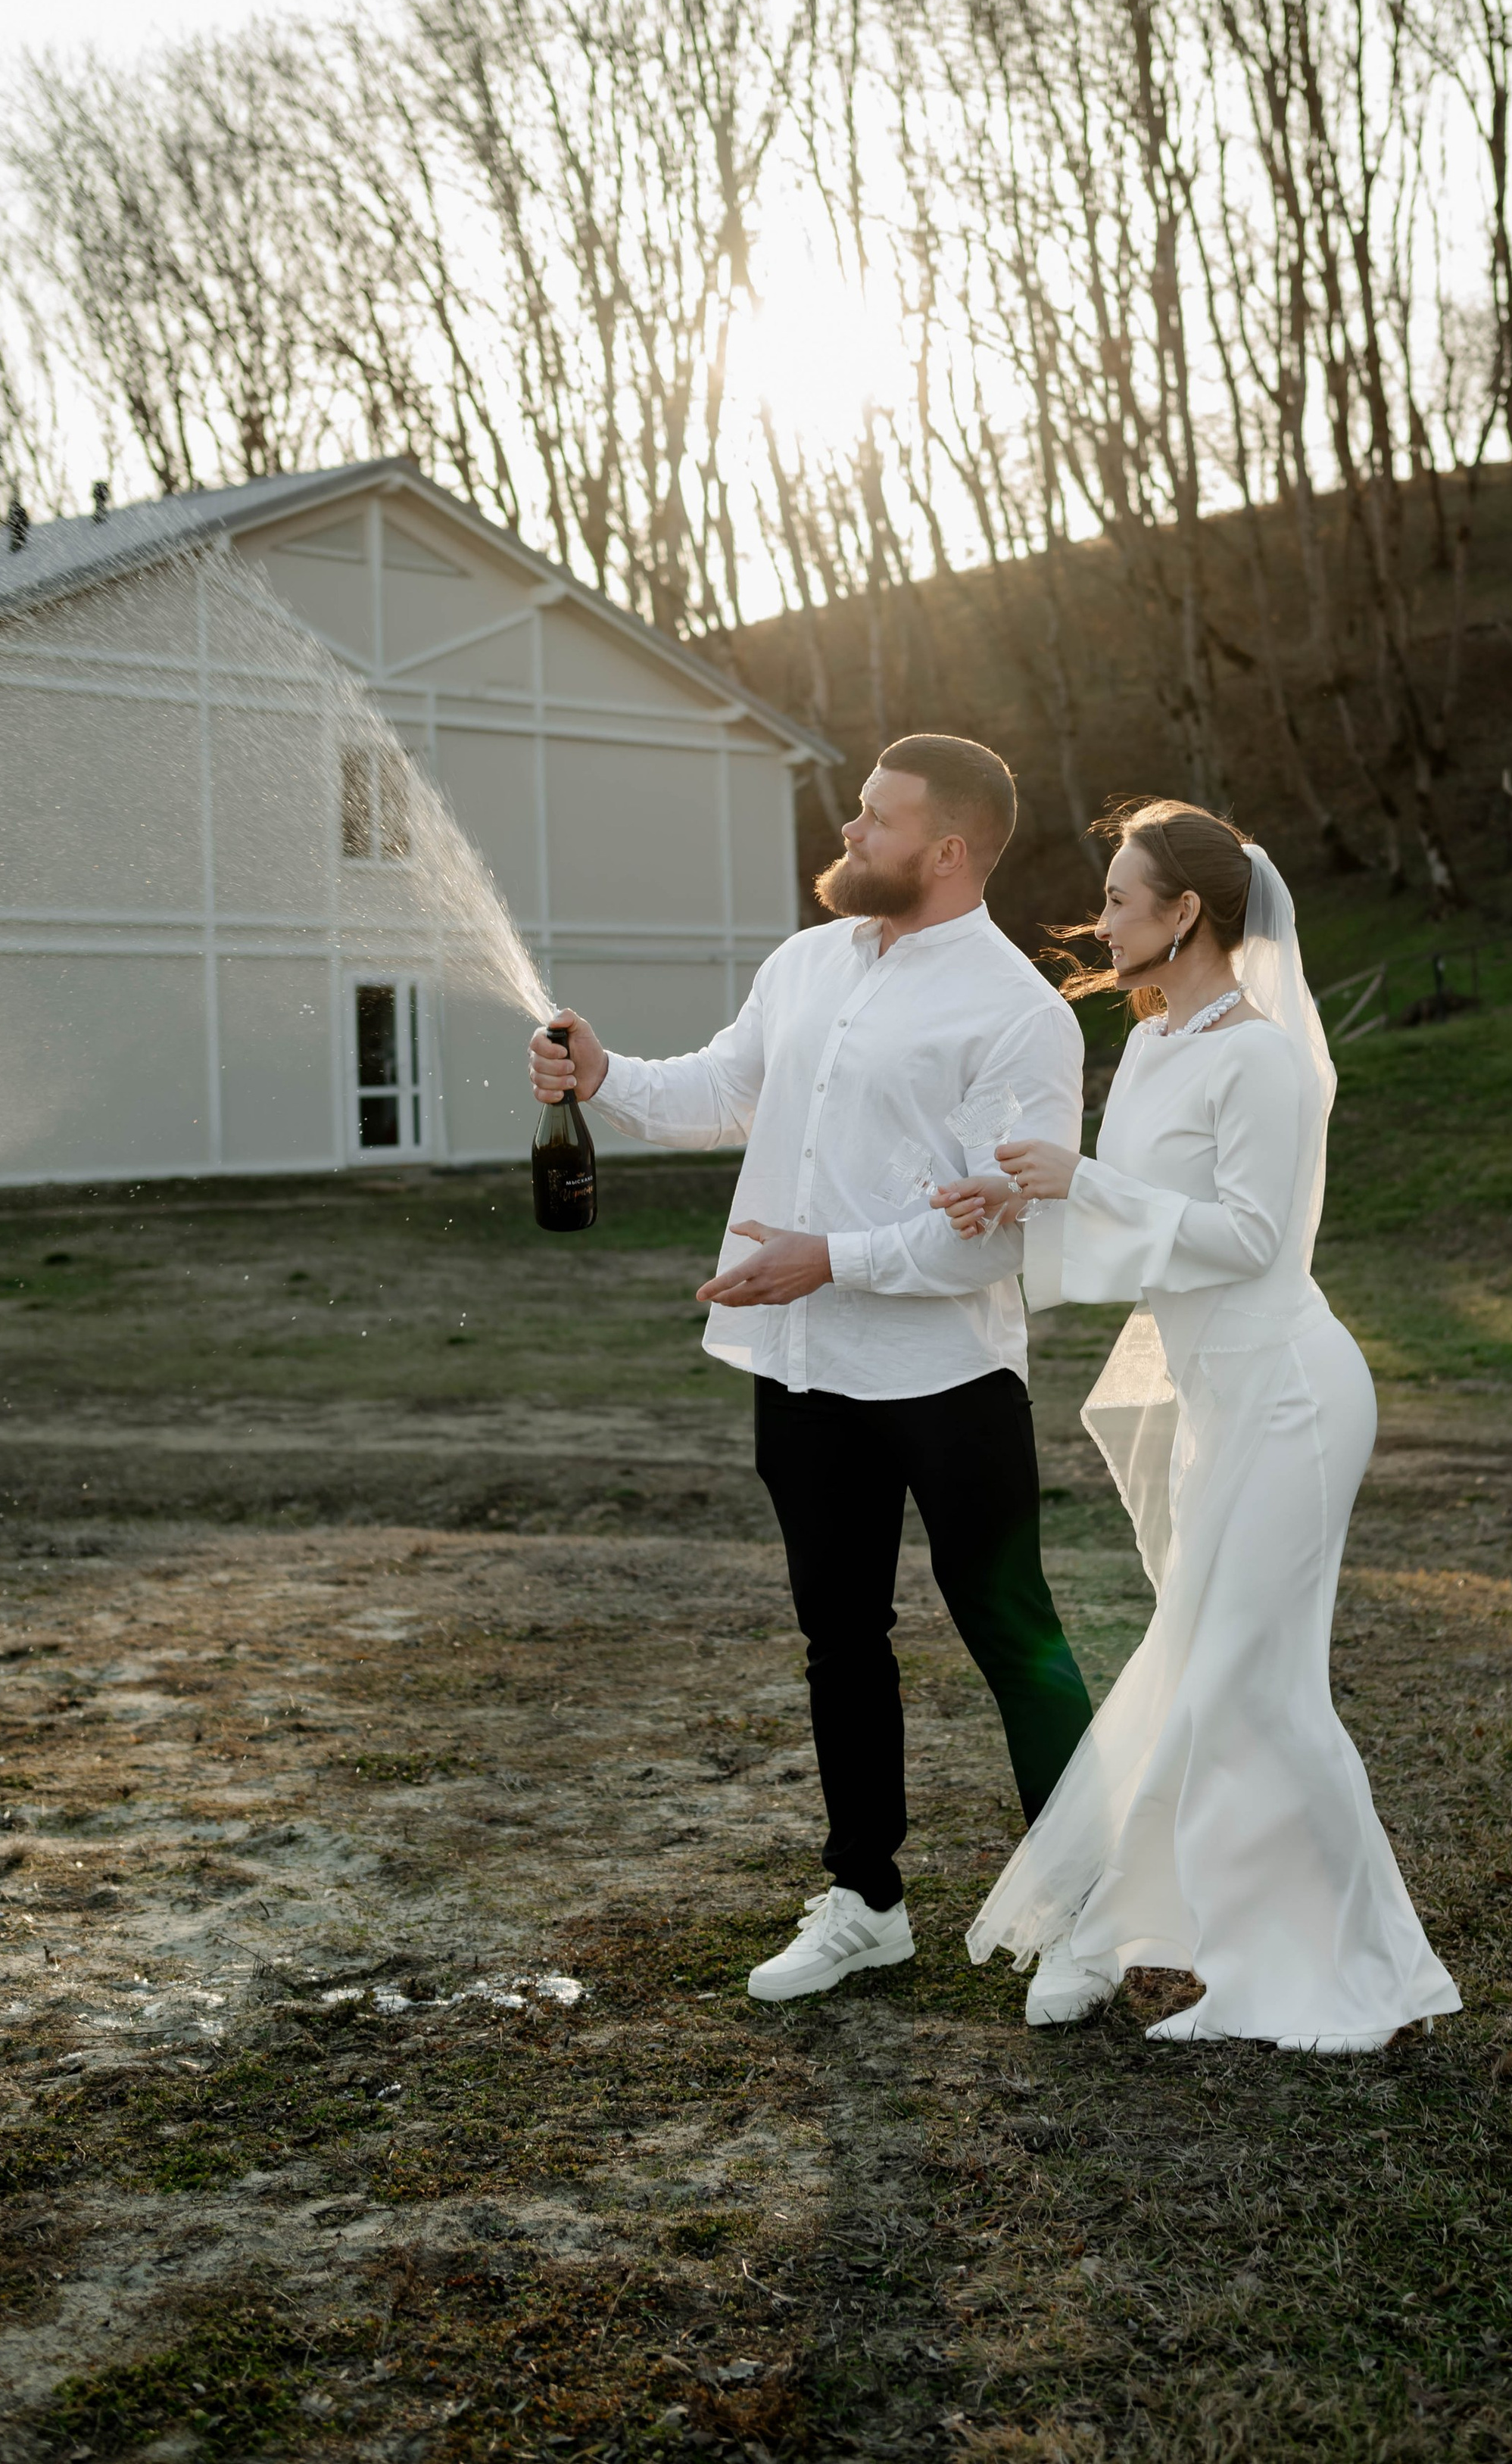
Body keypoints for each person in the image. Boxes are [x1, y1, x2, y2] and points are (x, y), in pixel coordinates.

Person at [528, 734, 1093, 2005]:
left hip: (949, 1382)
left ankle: (1086, 1916)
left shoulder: (1020, 1014)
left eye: (878, 818)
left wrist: (827, 1259)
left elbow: (1000, 1232)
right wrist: (605, 1075)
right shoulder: (803, 963)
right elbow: (722, 1091)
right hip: (802, 1370)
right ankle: (866, 1903)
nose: (850, 831)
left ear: (949, 850)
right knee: (840, 1637)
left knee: (1014, 1635)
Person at [933, 800, 1460, 2048]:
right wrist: (1017, 1200)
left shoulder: (1261, 1059)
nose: (1101, 920)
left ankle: (1356, 1972)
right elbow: (1133, 1219)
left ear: (1186, 914)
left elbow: (1254, 1239)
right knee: (1207, 1674)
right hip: (1217, 1398)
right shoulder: (1158, 1043)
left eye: (1121, 900)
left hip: (1292, 1396)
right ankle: (1133, 1934)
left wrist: (1082, 1179)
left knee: (1247, 1686)